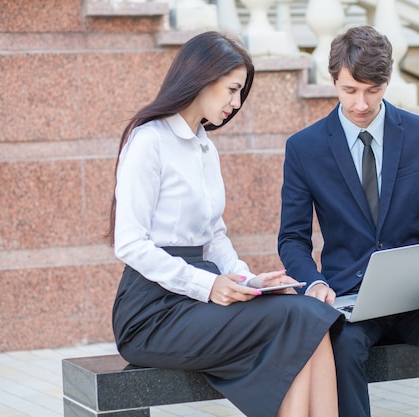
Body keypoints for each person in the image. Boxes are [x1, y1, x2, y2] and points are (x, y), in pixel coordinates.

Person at [107, 31, 344, 417]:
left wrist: (250, 282)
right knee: (300, 318)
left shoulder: (204, 146)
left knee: (310, 314)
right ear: (202, 77)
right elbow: (130, 244)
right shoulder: (148, 141)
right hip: (152, 311)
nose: (236, 103)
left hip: (198, 296)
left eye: (240, 93)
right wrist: (208, 285)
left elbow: (214, 237)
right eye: (233, 90)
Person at [278, 25, 419, 417]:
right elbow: (292, 238)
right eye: (350, 90)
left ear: (387, 81)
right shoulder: (304, 148)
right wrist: (314, 282)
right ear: (334, 80)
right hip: (348, 300)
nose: (360, 103)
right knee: (341, 350)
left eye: (373, 90)